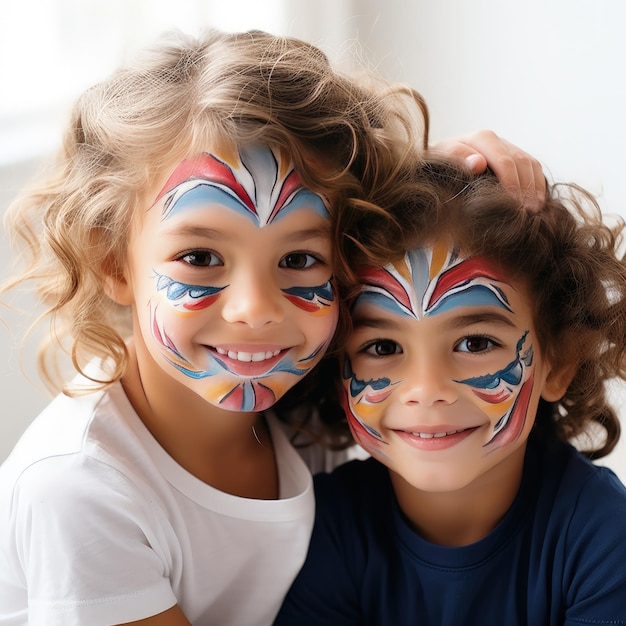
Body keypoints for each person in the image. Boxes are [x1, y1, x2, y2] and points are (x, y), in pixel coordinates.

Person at [0, 27, 545, 626]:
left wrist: (447, 191)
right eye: (201, 258)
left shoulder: (303, 412)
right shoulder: (81, 489)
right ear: (112, 262)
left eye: (298, 260)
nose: (255, 309)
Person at [276, 157, 626, 625]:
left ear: (558, 363)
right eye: (381, 346)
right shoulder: (328, 528)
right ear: (334, 365)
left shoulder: (604, 534)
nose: (426, 390)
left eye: (475, 343)